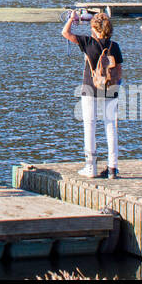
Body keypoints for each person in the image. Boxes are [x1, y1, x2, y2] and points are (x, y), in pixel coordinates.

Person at [60, 10, 123, 178]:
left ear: (94, 28)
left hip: (90, 88)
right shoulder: (114, 46)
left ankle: (91, 167)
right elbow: (119, 71)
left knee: (90, 126)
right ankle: (112, 169)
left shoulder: (88, 42)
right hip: (111, 89)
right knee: (111, 127)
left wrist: (72, 19)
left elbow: (65, 33)